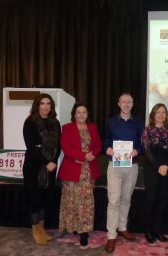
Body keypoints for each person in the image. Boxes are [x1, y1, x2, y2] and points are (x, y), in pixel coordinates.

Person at [57, 102, 102, 247]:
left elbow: (98, 146)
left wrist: (91, 155)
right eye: (78, 112)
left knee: (87, 202)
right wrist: (83, 155)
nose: (81, 115)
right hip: (71, 170)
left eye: (84, 112)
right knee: (71, 201)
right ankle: (74, 227)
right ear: (74, 114)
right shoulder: (67, 128)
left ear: (87, 114)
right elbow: (66, 148)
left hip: (88, 171)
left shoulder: (93, 127)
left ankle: (84, 232)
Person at [104, 92, 144, 253]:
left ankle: (122, 227)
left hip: (132, 166)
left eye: (129, 102)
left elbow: (142, 143)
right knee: (113, 201)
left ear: (132, 105)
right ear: (119, 104)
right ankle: (111, 235)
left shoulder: (139, 123)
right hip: (114, 165)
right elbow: (106, 140)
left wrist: (137, 150)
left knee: (126, 199)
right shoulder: (111, 122)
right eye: (124, 102)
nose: (126, 104)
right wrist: (107, 148)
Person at [22, 93, 61, 246]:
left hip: (50, 168)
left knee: (46, 199)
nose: (45, 106)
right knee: (35, 199)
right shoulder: (30, 122)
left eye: (48, 104)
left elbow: (58, 146)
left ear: (51, 106)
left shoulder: (55, 123)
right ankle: (35, 230)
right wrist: (47, 162)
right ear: (37, 106)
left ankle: (42, 228)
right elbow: (32, 147)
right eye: (42, 103)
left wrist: (53, 161)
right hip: (33, 167)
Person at [141, 103, 168, 243]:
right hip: (152, 169)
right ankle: (148, 230)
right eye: (158, 112)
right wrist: (159, 166)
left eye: (163, 112)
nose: (161, 114)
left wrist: (166, 166)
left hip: (166, 169)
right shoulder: (147, 130)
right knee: (150, 200)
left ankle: (157, 230)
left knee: (163, 200)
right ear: (153, 114)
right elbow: (146, 151)